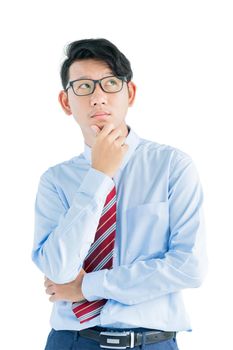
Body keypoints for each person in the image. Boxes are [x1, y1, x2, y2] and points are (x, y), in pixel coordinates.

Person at [32, 38, 207, 350]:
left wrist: (88, 286)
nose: (98, 97)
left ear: (130, 93)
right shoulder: (55, 181)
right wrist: (99, 176)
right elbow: (58, 270)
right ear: (65, 101)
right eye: (84, 86)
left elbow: (188, 266)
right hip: (72, 342)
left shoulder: (171, 166)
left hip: (152, 342)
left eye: (110, 83)